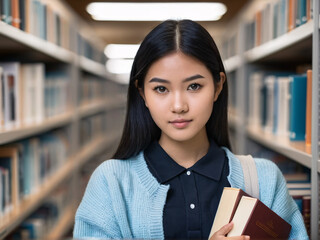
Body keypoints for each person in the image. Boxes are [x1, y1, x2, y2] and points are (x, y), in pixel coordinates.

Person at [73, 19, 308, 240]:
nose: (179, 106)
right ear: (142, 93)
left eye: (194, 86)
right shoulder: (111, 182)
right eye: (161, 89)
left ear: (218, 87)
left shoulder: (265, 180)